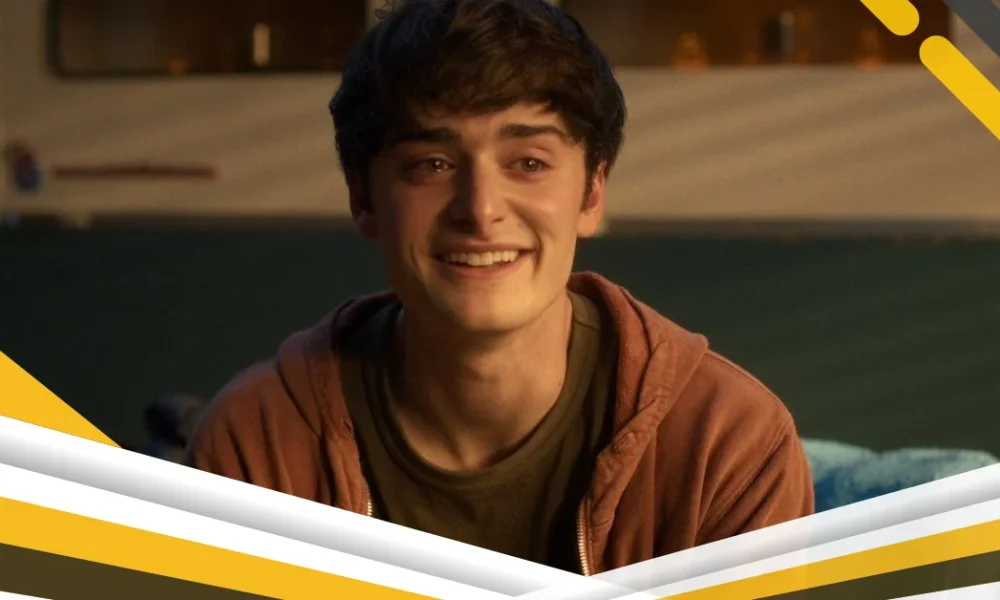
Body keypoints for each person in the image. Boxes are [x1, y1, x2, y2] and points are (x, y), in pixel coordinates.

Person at [184, 0, 814, 575]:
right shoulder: (255, 448)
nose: (480, 209)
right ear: (363, 197)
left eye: (529, 163)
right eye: (432, 164)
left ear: (592, 193)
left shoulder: (727, 448)